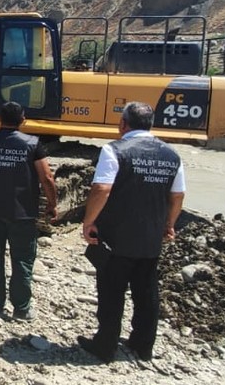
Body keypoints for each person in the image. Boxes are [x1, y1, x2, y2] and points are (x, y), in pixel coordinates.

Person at [77, 101, 185, 363]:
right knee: (146, 291)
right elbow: (178, 195)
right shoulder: (171, 155)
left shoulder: (114, 150)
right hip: (150, 237)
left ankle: (105, 345)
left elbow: (102, 189)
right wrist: (168, 224)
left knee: (112, 291)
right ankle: (143, 345)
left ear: (123, 124)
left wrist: (88, 221)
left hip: (117, 236)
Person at [0, 101, 59, 320]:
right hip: (22, 212)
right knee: (22, 260)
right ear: (23, 119)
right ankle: (21, 308)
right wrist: (52, 204)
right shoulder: (32, 144)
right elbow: (46, 177)